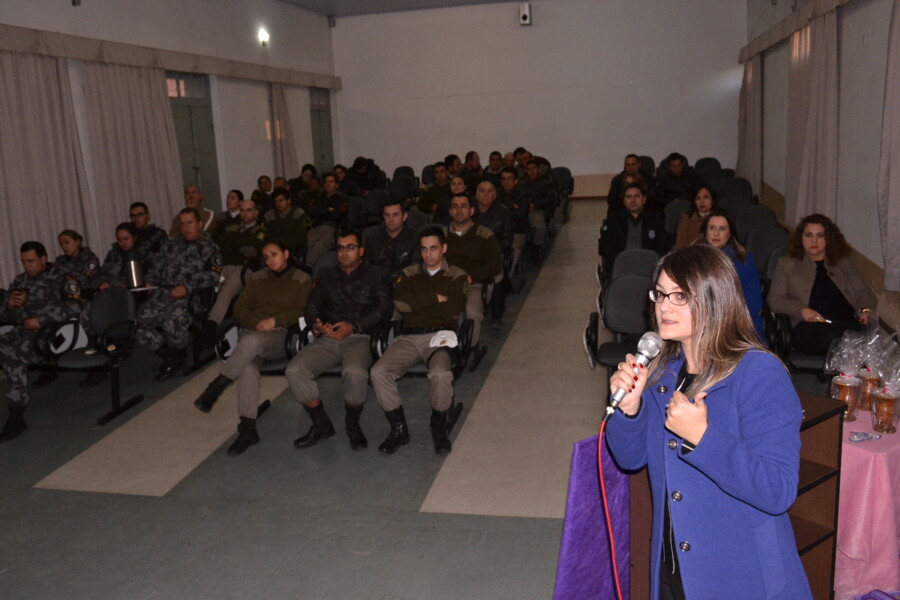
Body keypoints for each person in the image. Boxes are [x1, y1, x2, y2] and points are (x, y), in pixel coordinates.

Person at [606, 244, 813, 600]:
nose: (663, 306)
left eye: (679, 295)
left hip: (742, 576)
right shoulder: (663, 373)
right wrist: (631, 408)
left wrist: (703, 438)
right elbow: (630, 459)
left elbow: (778, 490)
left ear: (714, 300)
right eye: (659, 293)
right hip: (675, 570)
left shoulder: (759, 373)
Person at [193, 240, 313, 455]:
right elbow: (239, 309)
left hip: (281, 336)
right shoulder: (257, 279)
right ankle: (248, 428)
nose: (270, 260)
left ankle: (218, 385)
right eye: (266, 257)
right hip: (253, 333)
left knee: (251, 342)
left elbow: (302, 310)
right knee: (247, 368)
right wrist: (257, 323)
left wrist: (274, 321)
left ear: (286, 253)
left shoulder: (301, 279)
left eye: (274, 254)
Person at [284, 230, 392, 451]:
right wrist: (317, 324)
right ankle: (321, 423)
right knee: (294, 370)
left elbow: (384, 309)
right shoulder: (325, 275)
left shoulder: (377, 274)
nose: (344, 252)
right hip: (328, 336)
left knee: (354, 372)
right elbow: (312, 306)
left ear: (361, 250)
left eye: (350, 247)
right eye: (340, 248)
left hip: (359, 337)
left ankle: (352, 422)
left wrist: (354, 326)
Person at [370, 226, 469, 455]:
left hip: (440, 337)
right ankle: (399, 427)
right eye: (424, 249)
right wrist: (435, 298)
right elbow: (401, 304)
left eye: (433, 248)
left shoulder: (457, 274)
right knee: (378, 372)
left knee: (441, 375)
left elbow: (454, 309)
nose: (428, 254)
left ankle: (438, 425)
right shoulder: (409, 273)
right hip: (409, 336)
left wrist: (418, 303)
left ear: (444, 248)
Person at [0, 242, 81, 443]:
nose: (27, 266)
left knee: (14, 358)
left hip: (50, 334)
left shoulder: (62, 276)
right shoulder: (21, 280)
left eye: (31, 261)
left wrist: (42, 320)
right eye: (23, 262)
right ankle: (17, 389)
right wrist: (8, 306)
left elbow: (75, 305)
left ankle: (17, 413)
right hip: (22, 330)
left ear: (43, 259)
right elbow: (7, 315)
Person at [767, 213, 876, 355]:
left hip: (843, 324)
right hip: (808, 327)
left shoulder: (842, 263)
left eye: (820, 236)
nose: (814, 241)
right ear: (801, 238)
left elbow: (864, 293)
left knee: (854, 339)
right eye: (808, 235)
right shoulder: (787, 264)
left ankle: (847, 369)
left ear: (828, 239)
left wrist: (866, 310)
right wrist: (802, 310)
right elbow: (774, 300)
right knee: (836, 340)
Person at [137, 208, 222, 380]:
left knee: (173, 322)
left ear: (199, 224)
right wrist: (150, 281)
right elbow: (155, 265)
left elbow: (213, 275)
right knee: (140, 319)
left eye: (189, 223)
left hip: (193, 296)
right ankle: (172, 356)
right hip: (164, 293)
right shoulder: (172, 243)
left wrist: (187, 286)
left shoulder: (209, 247)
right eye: (182, 224)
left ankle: (177, 351)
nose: (185, 228)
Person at [444, 193, 502, 348]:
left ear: (471, 211)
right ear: (450, 211)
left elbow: (495, 265)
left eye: (464, 206)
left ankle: (465, 349)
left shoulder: (484, 234)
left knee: (471, 312)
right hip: (446, 284)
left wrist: (471, 277)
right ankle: (439, 348)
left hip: (475, 285)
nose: (459, 210)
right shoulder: (441, 236)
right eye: (455, 206)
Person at [204, 200, 267, 336]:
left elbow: (252, 250)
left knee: (227, 289)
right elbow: (219, 248)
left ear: (256, 213)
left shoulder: (260, 231)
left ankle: (211, 324)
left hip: (245, 269)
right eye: (242, 210)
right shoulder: (230, 228)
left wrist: (233, 246)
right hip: (224, 266)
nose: (245, 213)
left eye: (249, 210)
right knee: (208, 283)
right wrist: (238, 247)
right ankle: (204, 319)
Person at [700, 210, 765, 343]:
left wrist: (725, 323)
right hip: (701, 325)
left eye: (722, 229)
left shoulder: (743, 261)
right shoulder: (693, 259)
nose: (716, 234)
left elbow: (753, 303)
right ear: (705, 232)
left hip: (738, 326)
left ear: (730, 233)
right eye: (712, 228)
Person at [599, 182, 668, 273]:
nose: (633, 200)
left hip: (649, 266)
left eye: (636, 196)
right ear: (624, 201)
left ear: (644, 199)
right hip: (621, 266)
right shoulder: (613, 220)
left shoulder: (655, 219)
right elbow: (604, 246)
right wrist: (620, 259)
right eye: (628, 197)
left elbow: (663, 245)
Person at [473, 180, 512, 330]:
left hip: (494, 254)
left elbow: (507, 240)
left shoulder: (503, 212)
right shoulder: (470, 212)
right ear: (476, 195)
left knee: (497, 274)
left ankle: (497, 315)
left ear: (494, 195)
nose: (486, 194)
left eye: (490, 191)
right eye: (482, 191)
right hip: (472, 255)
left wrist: (488, 250)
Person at [364, 199, 419, 281]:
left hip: (404, 284)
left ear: (404, 217)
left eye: (395, 215)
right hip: (376, 283)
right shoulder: (372, 238)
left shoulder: (415, 238)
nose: (391, 219)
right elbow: (366, 266)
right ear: (383, 217)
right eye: (387, 215)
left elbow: (416, 268)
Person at [305, 173, 348, 268]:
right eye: (326, 182)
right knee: (310, 246)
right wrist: (327, 209)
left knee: (319, 245)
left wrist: (321, 211)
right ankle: (315, 269)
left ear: (337, 185)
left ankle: (308, 267)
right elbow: (311, 211)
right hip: (315, 227)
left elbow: (336, 215)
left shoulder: (342, 199)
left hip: (331, 228)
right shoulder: (318, 197)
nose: (328, 184)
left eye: (331, 182)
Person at [519, 160, 556, 263]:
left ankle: (536, 248)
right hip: (523, 210)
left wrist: (535, 205)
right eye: (529, 169)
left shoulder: (546, 184)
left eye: (533, 169)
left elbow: (551, 200)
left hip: (538, 210)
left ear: (538, 169)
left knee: (539, 227)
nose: (531, 172)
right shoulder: (521, 184)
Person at [263, 187, 310, 259]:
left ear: (289, 201)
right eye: (276, 201)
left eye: (281, 200)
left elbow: (301, 237)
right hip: (272, 249)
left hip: (293, 249)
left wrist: (282, 245)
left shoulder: (299, 214)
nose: (278, 204)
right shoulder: (269, 215)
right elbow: (264, 235)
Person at [55, 229, 101, 298]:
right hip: (67, 297)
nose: (64, 247)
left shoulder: (90, 258)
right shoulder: (60, 261)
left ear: (77, 242)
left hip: (88, 297)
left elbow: (85, 281)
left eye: (67, 243)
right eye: (61, 244)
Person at [129, 202, 168, 269]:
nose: (136, 219)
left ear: (148, 216)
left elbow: (166, 256)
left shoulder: (158, 234)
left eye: (140, 215)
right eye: (133, 216)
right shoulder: (129, 237)